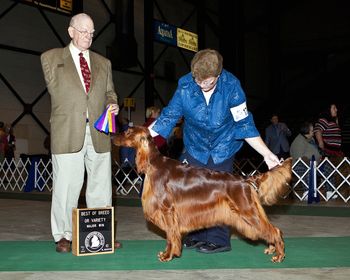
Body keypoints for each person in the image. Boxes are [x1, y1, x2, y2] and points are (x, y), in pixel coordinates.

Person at [148, 49, 281, 254]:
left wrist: (266, 153)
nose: (202, 84)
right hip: (195, 146)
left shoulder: (232, 86)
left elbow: (244, 124)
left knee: (221, 194)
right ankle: (196, 235)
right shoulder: (185, 84)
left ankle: (219, 240)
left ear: (218, 76)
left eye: (208, 81)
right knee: (193, 194)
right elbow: (168, 117)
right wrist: (143, 136)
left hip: (224, 146)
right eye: (198, 80)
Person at [40, 13, 121, 253]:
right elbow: (59, 91)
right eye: (83, 31)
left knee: (101, 186)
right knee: (66, 185)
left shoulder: (103, 63)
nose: (88, 36)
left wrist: (112, 104)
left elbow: (110, 93)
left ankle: (102, 233)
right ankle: (63, 235)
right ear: (71, 31)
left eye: (92, 32)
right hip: (67, 131)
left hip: (99, 130)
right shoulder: (51, 58)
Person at [314, 103, 343, 200]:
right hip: (328, 151)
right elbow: (317, 130)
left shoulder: (334, 121)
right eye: (334, 108)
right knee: (330, 171)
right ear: (328, 110)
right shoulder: (323, 120)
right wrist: (320, 142)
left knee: (339, 171)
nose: (336, 109)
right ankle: (330, 191)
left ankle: (336, 190)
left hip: (337, 152)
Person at [290, 121, 321, 200]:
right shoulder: (298, 141)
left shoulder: (311, 139)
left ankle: (330, 192)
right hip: (299, 165)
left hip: (315, 163)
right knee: (308, 169)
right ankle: (307, 192)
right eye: (312, 130)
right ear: (306, 131)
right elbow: (299, 158)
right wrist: (312, 163)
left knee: (329, 169)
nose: (313, 131)